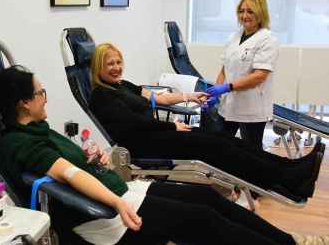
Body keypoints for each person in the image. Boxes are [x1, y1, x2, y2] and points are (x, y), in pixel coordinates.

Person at [0, 65, 329, 245]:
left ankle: (287, 238)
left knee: (204, 197)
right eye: (40, 93)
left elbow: (74, 164)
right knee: (202, 219)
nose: (44, 98)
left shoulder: (37, 129)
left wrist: (94, 158)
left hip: (123, 193)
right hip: (106, 214)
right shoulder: (20, 142)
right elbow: (69, 175)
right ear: (24, 102)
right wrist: (118, 201)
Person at [88, 43, 324, 200]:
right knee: (217, 147)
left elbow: (159, 98)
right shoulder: (102, 95)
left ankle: (290, 169)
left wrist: (190, 96)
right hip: (144, 145)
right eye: (110, 64)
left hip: (157, 135)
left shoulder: (121, 86)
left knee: (224, 139)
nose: (117, 68)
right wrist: (172, 126)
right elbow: (132, 124)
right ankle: (285, 179)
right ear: (98, 66)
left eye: (119, 62)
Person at [206, 0, 279, 149]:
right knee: (220, 147)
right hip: (228, 106)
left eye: (250, 11)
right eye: (241, 11)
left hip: (252, 107)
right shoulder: (234, 37)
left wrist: (228, 87)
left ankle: (254, 174)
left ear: (261, 13)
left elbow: (259, 76)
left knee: (251, 152)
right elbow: (224, 68)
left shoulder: (267, 39)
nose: (244, 15)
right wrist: (216, 93)